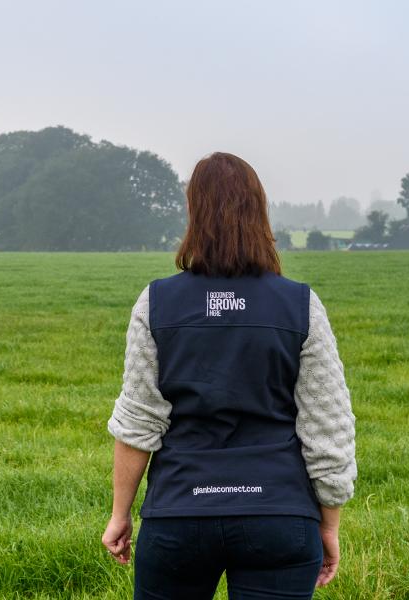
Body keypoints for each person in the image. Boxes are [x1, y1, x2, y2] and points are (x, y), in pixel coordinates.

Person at [101, 152, 358, 600]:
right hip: (279, 516)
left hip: (179, 516)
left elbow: (139, 420)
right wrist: (329, 521)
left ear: (192, 213)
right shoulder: (300, 305)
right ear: (260, 212)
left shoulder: (156, 303)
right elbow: (328, 425)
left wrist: (120, 513)